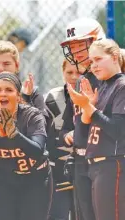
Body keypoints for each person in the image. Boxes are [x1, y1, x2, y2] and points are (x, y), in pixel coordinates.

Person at [0, 72, 52, 220]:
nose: (3, 94)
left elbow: (37, 151)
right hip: (2, 181)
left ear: (18, 95)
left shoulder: (32, 115)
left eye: (9, 90)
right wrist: (0, 136)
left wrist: (15, 134)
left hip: (35, 180)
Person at [67, 38, 125, 220]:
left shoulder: (121, 86)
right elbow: (81, 137)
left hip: (113, 163)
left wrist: (90, 108)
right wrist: (87, 107)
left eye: (98, 59)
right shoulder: (101, 87)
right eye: (91, 61)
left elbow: (119, 130)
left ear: (115, 57)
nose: (93, 66)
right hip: (96, 165)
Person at [59, 17, 106, 220]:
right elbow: (68, 125)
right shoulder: (80, 82)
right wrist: (69, 133)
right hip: (81, 160)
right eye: (72, 47)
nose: (75, 52)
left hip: (107, 160)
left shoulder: (112, 79)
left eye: (80, 46)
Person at [45, 59, 82, 220]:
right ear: (63, 73)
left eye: (79, 72)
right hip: (58, 169)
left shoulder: (96, 95)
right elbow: (48, 137)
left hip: (84, 169)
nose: (74, 77)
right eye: (69, 72)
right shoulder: (53, 97)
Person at [0, 40, 47, 114]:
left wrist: (26, 99)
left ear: (17, 66)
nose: (0, 68)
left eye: (6, 64)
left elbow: (43, 123)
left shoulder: (33, 93)